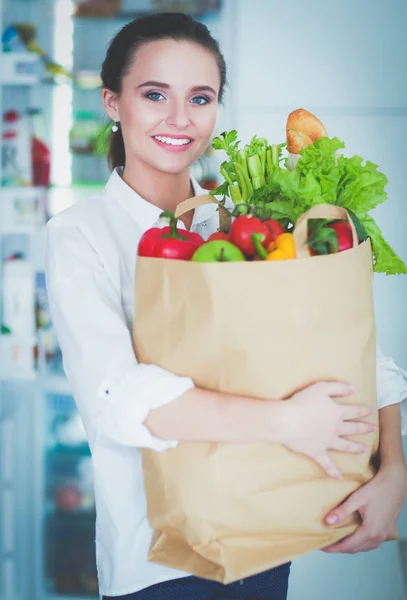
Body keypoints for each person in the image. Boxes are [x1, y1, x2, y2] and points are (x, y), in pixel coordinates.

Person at [45, 12, 407, 600]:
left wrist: (394, 470)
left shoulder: (250, 219)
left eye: (201, 97)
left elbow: (358, 348)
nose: (180, 119)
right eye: (154, 94)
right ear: (113, 104)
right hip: (158, 567)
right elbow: (119, 399)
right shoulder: (79, 234)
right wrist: (288, 422)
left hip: (271, 537)